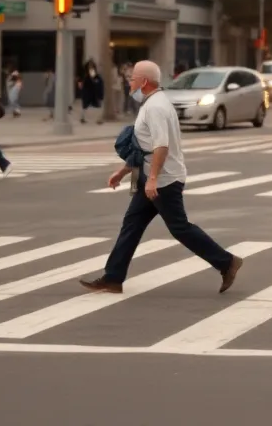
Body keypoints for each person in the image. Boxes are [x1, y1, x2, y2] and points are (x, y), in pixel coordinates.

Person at [81, 60, 243, 295]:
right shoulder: (152, 104)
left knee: (180, 228)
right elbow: (144, 147)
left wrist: (153, 179)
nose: (130, 82)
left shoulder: (155, 107)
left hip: (164, 180)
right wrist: (123, 172)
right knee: (132, 224)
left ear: (144, 82)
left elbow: (161, 147)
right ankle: (113, 278)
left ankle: (227, 262)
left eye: (133, 78)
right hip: (151, 176)